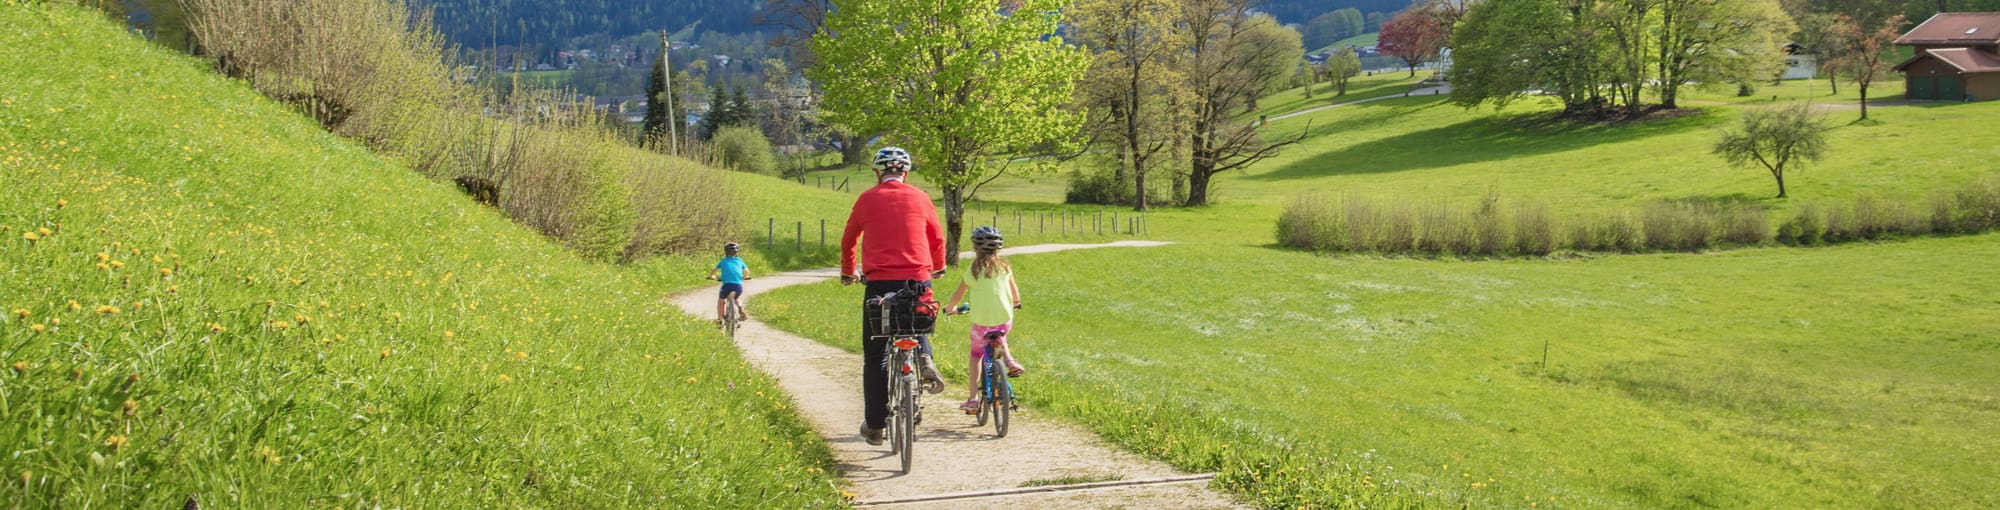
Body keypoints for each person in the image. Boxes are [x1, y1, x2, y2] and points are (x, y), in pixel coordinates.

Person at [840, 146, 949, 446]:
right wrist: (938, 267)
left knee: (876, 356)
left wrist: (849, 272)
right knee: (917, 317)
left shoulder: (867, 199)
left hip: (878, 284)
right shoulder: (920, 197)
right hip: (918, 279)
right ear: (906, 172)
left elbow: (849, 239)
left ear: (878, 172)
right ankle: (924, 356)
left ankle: (876, 426)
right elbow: (937, 237)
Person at [942, 226, 1025, 414]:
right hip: (1005, 318)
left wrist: (951, 309)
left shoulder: (973, 271)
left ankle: (972, 399)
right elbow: (1015, 293)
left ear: (975, 248)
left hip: (981, 323)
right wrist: (1017, 303)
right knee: (1000, 333)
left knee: (975, 356)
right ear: (998, 248)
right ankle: (1009, 360)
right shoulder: (1005, 267)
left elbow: (957, 295)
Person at [707, 242, 750, 325]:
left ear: (726, 252)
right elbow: (747, 272)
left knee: (721, 300)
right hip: (738, 286)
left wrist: (712, 276)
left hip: (726, 286)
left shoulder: (723, 261)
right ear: (737, 252)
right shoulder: (740, 261)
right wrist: (744, 277)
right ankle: (740, 308)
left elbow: (714, 271)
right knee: (736, 298)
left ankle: (720, 319)